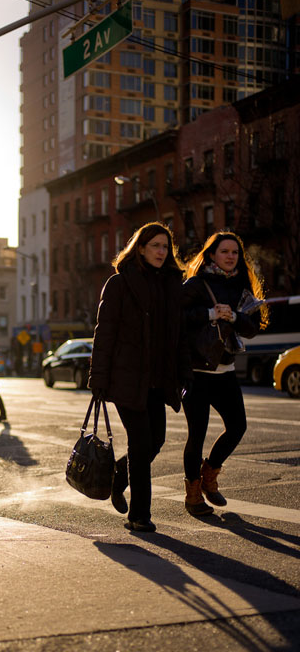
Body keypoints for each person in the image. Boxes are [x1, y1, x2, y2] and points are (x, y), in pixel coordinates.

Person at [88, 222, 189, 532]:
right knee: (141, 440)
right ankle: (139, 515)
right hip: (127, 378)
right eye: (156, 245)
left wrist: (184, 374)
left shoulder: (172, 285)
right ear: (140, 248)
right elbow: (104, 334)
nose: (162, 252)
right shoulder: (119, 284)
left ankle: (119, 477)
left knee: (155, 440)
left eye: (166, 247)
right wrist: (98, 378)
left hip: (159, 378)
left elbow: (179, 336)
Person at [181, 231, 265, 516]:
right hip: (196, 372)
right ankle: (193, 493)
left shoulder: (242, 285)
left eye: (235, 252)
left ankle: (209, 474)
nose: (230, 257)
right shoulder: (196, 284)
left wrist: (236, 317)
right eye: (224, 251)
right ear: (212, 255)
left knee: (238, 426)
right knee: (197, 434)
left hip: (225, 369)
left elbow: (252, 328)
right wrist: (210, 314)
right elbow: (177, 318)